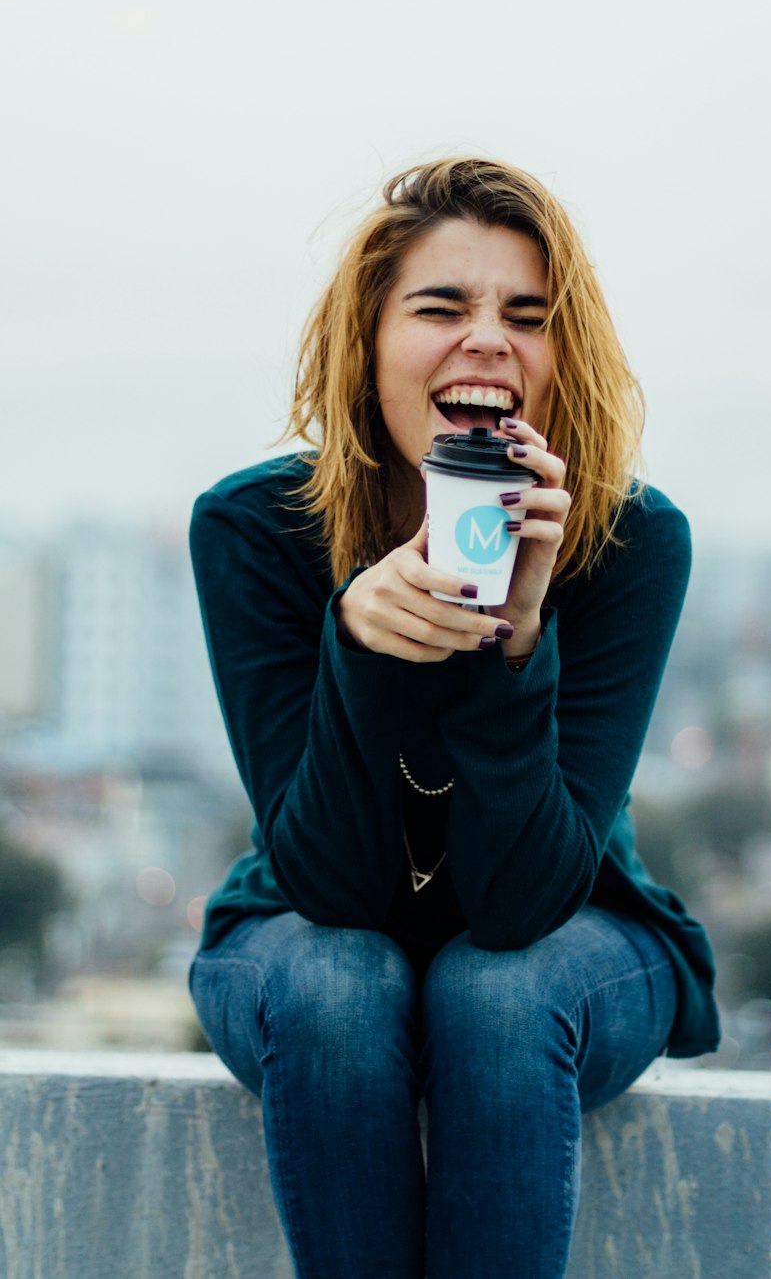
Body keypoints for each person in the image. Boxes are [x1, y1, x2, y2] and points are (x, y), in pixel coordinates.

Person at [187, 156, 720, 1279]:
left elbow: (527, 901)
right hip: (299, 937)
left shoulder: (627, 542)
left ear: (559, 357)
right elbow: (327, 887)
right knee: (343, 983)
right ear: (367, 342)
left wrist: (519, 633)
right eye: (441, 307)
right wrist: (355, 642)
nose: (487, 339)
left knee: (493, 989)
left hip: (575, 933)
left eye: (528, 317)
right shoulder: (254, 529)